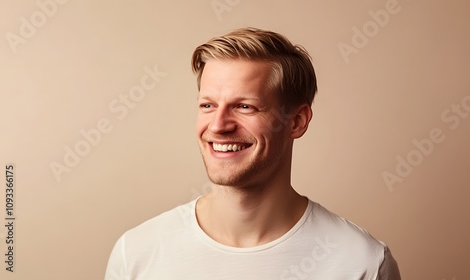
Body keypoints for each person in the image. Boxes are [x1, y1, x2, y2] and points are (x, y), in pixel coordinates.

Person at [105, 27, 401, 280]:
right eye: (207, 105)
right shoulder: (137, 254)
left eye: (245, 106)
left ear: (296, 121)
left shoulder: (362, 263)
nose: (218, 125)